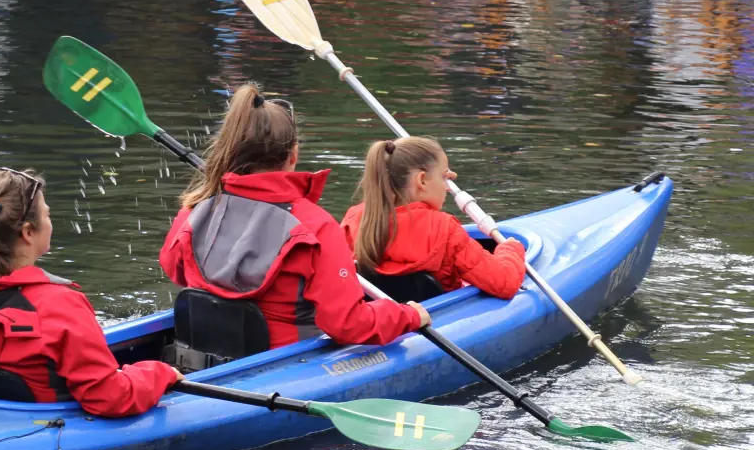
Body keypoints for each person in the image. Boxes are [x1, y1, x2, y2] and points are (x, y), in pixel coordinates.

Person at [159, 84, 429, 350]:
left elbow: (174, 269)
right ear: (293, 154)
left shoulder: (195, 210)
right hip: (281, 364)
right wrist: (407, 315)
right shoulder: (316, 226)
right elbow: (349, 324)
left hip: (198, 357)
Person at [0, 167, 182, 418]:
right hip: (37, 425)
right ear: (28, 232)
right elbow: (109, 398)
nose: (51, 222)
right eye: (47, 215)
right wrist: (159, 373)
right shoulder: (59, 304)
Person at [340, 137, 525, 299]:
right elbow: (505, 282)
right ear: (421, 181)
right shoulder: (444, 228)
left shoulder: (353, 218)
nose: (448, 186)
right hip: (437, 318)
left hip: (382, 313)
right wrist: (510, 249)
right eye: (444, 176)